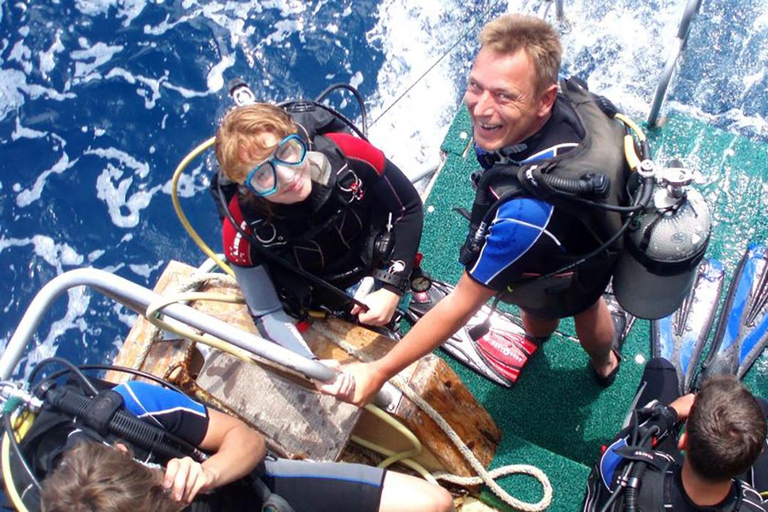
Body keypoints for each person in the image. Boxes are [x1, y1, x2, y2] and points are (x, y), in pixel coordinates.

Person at [320, 14, 628, 405]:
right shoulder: (563, 109)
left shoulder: (521, 218)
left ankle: (598, 359)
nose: (481, 109)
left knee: (560, 309)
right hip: (592, 231)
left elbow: (460, 305)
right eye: (475, 86)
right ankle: (599, 359)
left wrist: (378, 371)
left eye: (503, 96)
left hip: (561, 260)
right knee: (585, 303)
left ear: (544, 99)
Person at [38, 380, 454, 512]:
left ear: (124, 452)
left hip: (241, 489)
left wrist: (209, 472)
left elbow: (246, 441)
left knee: (431, 503)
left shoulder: (131, 409)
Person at [214, 103, 423, 358]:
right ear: (245, 186)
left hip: (371, 246)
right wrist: (311, 365)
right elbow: (266, 312)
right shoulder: (240, 227)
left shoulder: (345, 152)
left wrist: (393, 287)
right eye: (262, 175)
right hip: (321, 288)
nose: (287, 176)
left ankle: (415, 285)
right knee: (303, 308)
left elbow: (408, 208)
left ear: (296, 137)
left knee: (399, 257)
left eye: (286, 151)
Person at [582, 357, 768, 511]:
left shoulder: (626, 475)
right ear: (748, 464)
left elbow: (624, 445)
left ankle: (694, 396)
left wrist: (669, 414)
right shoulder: (753, 505)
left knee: (660, 367)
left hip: (656, 481)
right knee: (759, 406)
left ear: (683, 440)